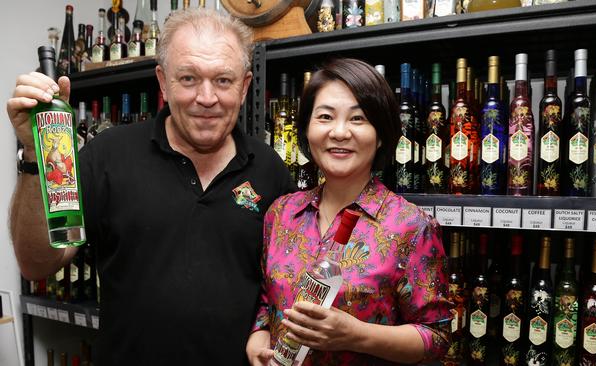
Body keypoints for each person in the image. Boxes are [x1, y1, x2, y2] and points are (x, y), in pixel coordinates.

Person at [7, 9, 293, 365]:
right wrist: (36, 155)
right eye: (188, 78)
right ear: (162, 81)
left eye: (223, 80)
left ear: (245, 85)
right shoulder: (108, 156)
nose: (206, 97)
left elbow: (282, 289)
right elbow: (37, 263)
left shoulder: (270, 171)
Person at [246, 58, 451, 365]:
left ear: (381, 134)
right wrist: (257, 341)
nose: (339, 132)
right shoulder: (282, 213)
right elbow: (267, 301)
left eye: (358, 119)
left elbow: (435, 337)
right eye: (325, 117)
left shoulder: (410, 226)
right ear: (307, 129)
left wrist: (356, 335)